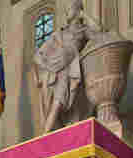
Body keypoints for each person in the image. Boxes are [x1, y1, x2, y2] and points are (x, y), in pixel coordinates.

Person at [33, 0, 103, 133]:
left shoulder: (83, 30)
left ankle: (45, 135)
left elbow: (99, 31)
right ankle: (49, 133)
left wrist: (84, 15)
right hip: (52, 68)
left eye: (70, 8)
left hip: (68, 68)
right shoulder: (59, 33)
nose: (67, 11)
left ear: (78, 10)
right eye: (67, 9)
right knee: (49, 104)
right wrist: (37, 75)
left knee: (58, 101)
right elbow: (38, 55)